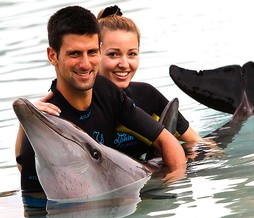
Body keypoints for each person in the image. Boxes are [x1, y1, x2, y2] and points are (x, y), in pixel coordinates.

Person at [15, 5, 186, 196]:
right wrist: (25, 124)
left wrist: (170, 189)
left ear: (100, 49)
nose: (86, 64)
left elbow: (166, 141)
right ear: (52, 56)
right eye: (75, 54)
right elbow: (33, 200)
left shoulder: (106, 90)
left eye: (92, 52)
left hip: (136, 184)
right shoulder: (48, 123)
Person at [96, 5, 220, 160]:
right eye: (113, 54)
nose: (124, 63)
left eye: (132, 54)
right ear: (95, 54)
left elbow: (196, 141)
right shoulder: (80, 106)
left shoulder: (146, 95)